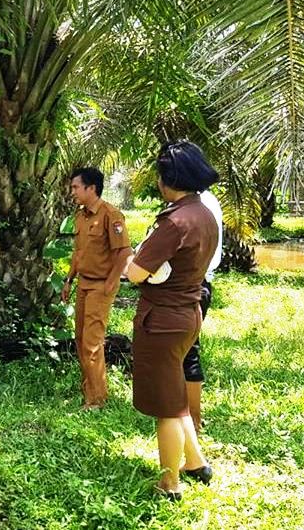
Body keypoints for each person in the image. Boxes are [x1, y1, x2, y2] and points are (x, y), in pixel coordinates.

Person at [125, 140, 219, 500]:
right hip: (188, 313)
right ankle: (195, 463)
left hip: (161, 319)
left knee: (166, 406)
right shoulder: (204, 214)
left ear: (168, 179)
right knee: (176, 393)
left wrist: (132, 263)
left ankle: (169, 484)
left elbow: (135, 273)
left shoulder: (174, 221)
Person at [60, 167, 131, 410]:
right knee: (80, 339)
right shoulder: (80, 217)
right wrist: (69, 280)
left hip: (101, 285)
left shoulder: (111, 215)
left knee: (92, 342)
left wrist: (111, 283)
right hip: (83, 284)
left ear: (92, 188)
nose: (72, 192)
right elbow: (78, 253)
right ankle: (88, 390)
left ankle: (97, 399)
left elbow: (124, 252)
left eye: (76, 187)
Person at [185, 189, 222, 432]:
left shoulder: (197, 206)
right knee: (184, 351)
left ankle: (194, 419)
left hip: (192, 285)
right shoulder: (203, 203)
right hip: (196, 284)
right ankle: (186, 414)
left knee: (188, 351)